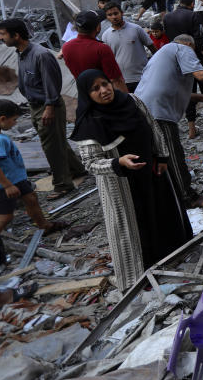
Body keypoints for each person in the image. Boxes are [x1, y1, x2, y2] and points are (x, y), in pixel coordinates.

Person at [71, 70, 193, 281]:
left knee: (163, 211)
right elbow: (90, 163)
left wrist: (162, 157)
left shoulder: (132, 101)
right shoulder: (90, 122)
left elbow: (153, 127)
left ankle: (174, 252)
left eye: (105, 83)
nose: (104, 90)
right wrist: (118, 162)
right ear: (87, 94)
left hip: (153, 171)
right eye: (95, 89)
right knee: (138, 224)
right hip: (123, 185)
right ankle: (147, 269)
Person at [135, 35, 203, 205]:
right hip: (158, 111)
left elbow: (171, 89)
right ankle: (188, 197)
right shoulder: (182, 48)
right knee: (172, 154)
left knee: (158, 155)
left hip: (143, 108)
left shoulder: (162, 53)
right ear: (189, 44)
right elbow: (201, 75)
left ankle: (168, 196)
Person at [0, 18, 86, 199]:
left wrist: (49, 107)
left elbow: (52, 84)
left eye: (2, 34)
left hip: (47, 106)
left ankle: (63, 185)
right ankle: (77, 169)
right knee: (56, 141)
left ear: (16, 35)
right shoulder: (21, 53)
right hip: (35, 105)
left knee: (51, 147)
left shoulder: (41, 55)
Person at [0, 100, 66, 233]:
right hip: (3, 185)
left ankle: (44, 226)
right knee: (5, 216)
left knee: (31, 199)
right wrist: (7, 186)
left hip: (16, 180)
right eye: (14, 120)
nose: (15, 123)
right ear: (2, 119)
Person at [163, 0, 203, 139]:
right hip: (196, 59)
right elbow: (198, 42)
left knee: (188, 94)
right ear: (192, 4)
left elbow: (169, 40)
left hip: (178, 61)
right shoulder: (193, 16)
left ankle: (191, 128)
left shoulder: (167, 17)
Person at [61, 10, 128, 93]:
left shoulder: (66, 47)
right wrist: (127, 101)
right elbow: (116, 80)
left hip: (84, 95)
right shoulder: (102, 48)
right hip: (105, 95)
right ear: (98, 27)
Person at [102, 2, 156, 92]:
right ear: (107, 17)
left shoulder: (136, 29)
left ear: (122, 13)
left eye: (116, 13)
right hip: (122, 81)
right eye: (110, 15)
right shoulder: (105, 36)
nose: (114, 17)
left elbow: (152, 48)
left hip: (143, 77)